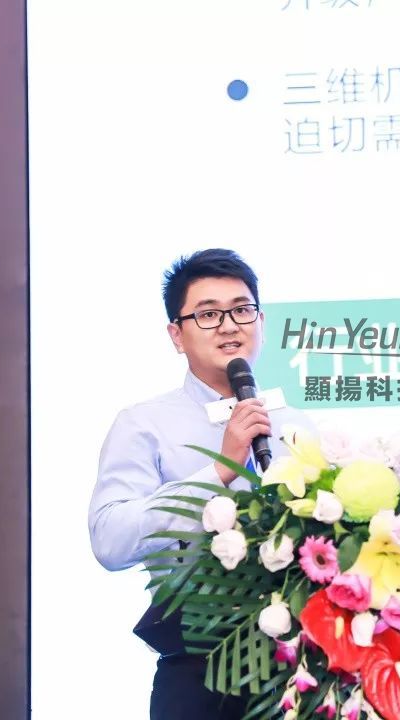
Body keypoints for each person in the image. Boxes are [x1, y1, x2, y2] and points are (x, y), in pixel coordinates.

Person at [88, 249, 314, 720]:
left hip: (300, 672)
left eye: (242, 310)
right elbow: (110, 540)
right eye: (209, 314)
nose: (229, 326)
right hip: (200, 673)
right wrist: (219, 470)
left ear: (260, 321)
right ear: (177, 334)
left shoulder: (298, 424)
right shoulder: (144, 424)